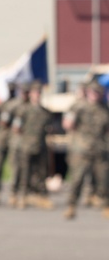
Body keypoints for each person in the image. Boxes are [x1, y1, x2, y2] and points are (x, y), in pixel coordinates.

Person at [62, 79, 109, 220]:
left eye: (98, 93)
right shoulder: (78, 107)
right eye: (93, 92)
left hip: (100, 150)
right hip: (81, 150)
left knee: (104, 180)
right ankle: (71, 206)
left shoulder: (104, 108)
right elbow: (67, 124)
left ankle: (106, 206)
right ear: (88, 92)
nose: (95, 95)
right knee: (77, 179)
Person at [11, 82, 54, 209]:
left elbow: (49, 129)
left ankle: (42, 197)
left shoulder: (45, 112)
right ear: (30, 94)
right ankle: (23, 196)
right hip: (26, 145)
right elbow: (16, 127)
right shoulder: (23, 110)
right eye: (35, 92)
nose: (37, 95)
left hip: (40, 145)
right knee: (25, 172)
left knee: (41, 172)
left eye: (39, 92)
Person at [0, 86, 19, 205]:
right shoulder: (1, 106)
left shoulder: (18, 105)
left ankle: (13, 193)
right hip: (2, 139)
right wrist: (1, 127)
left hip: (13, 139)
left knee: (14, 166)